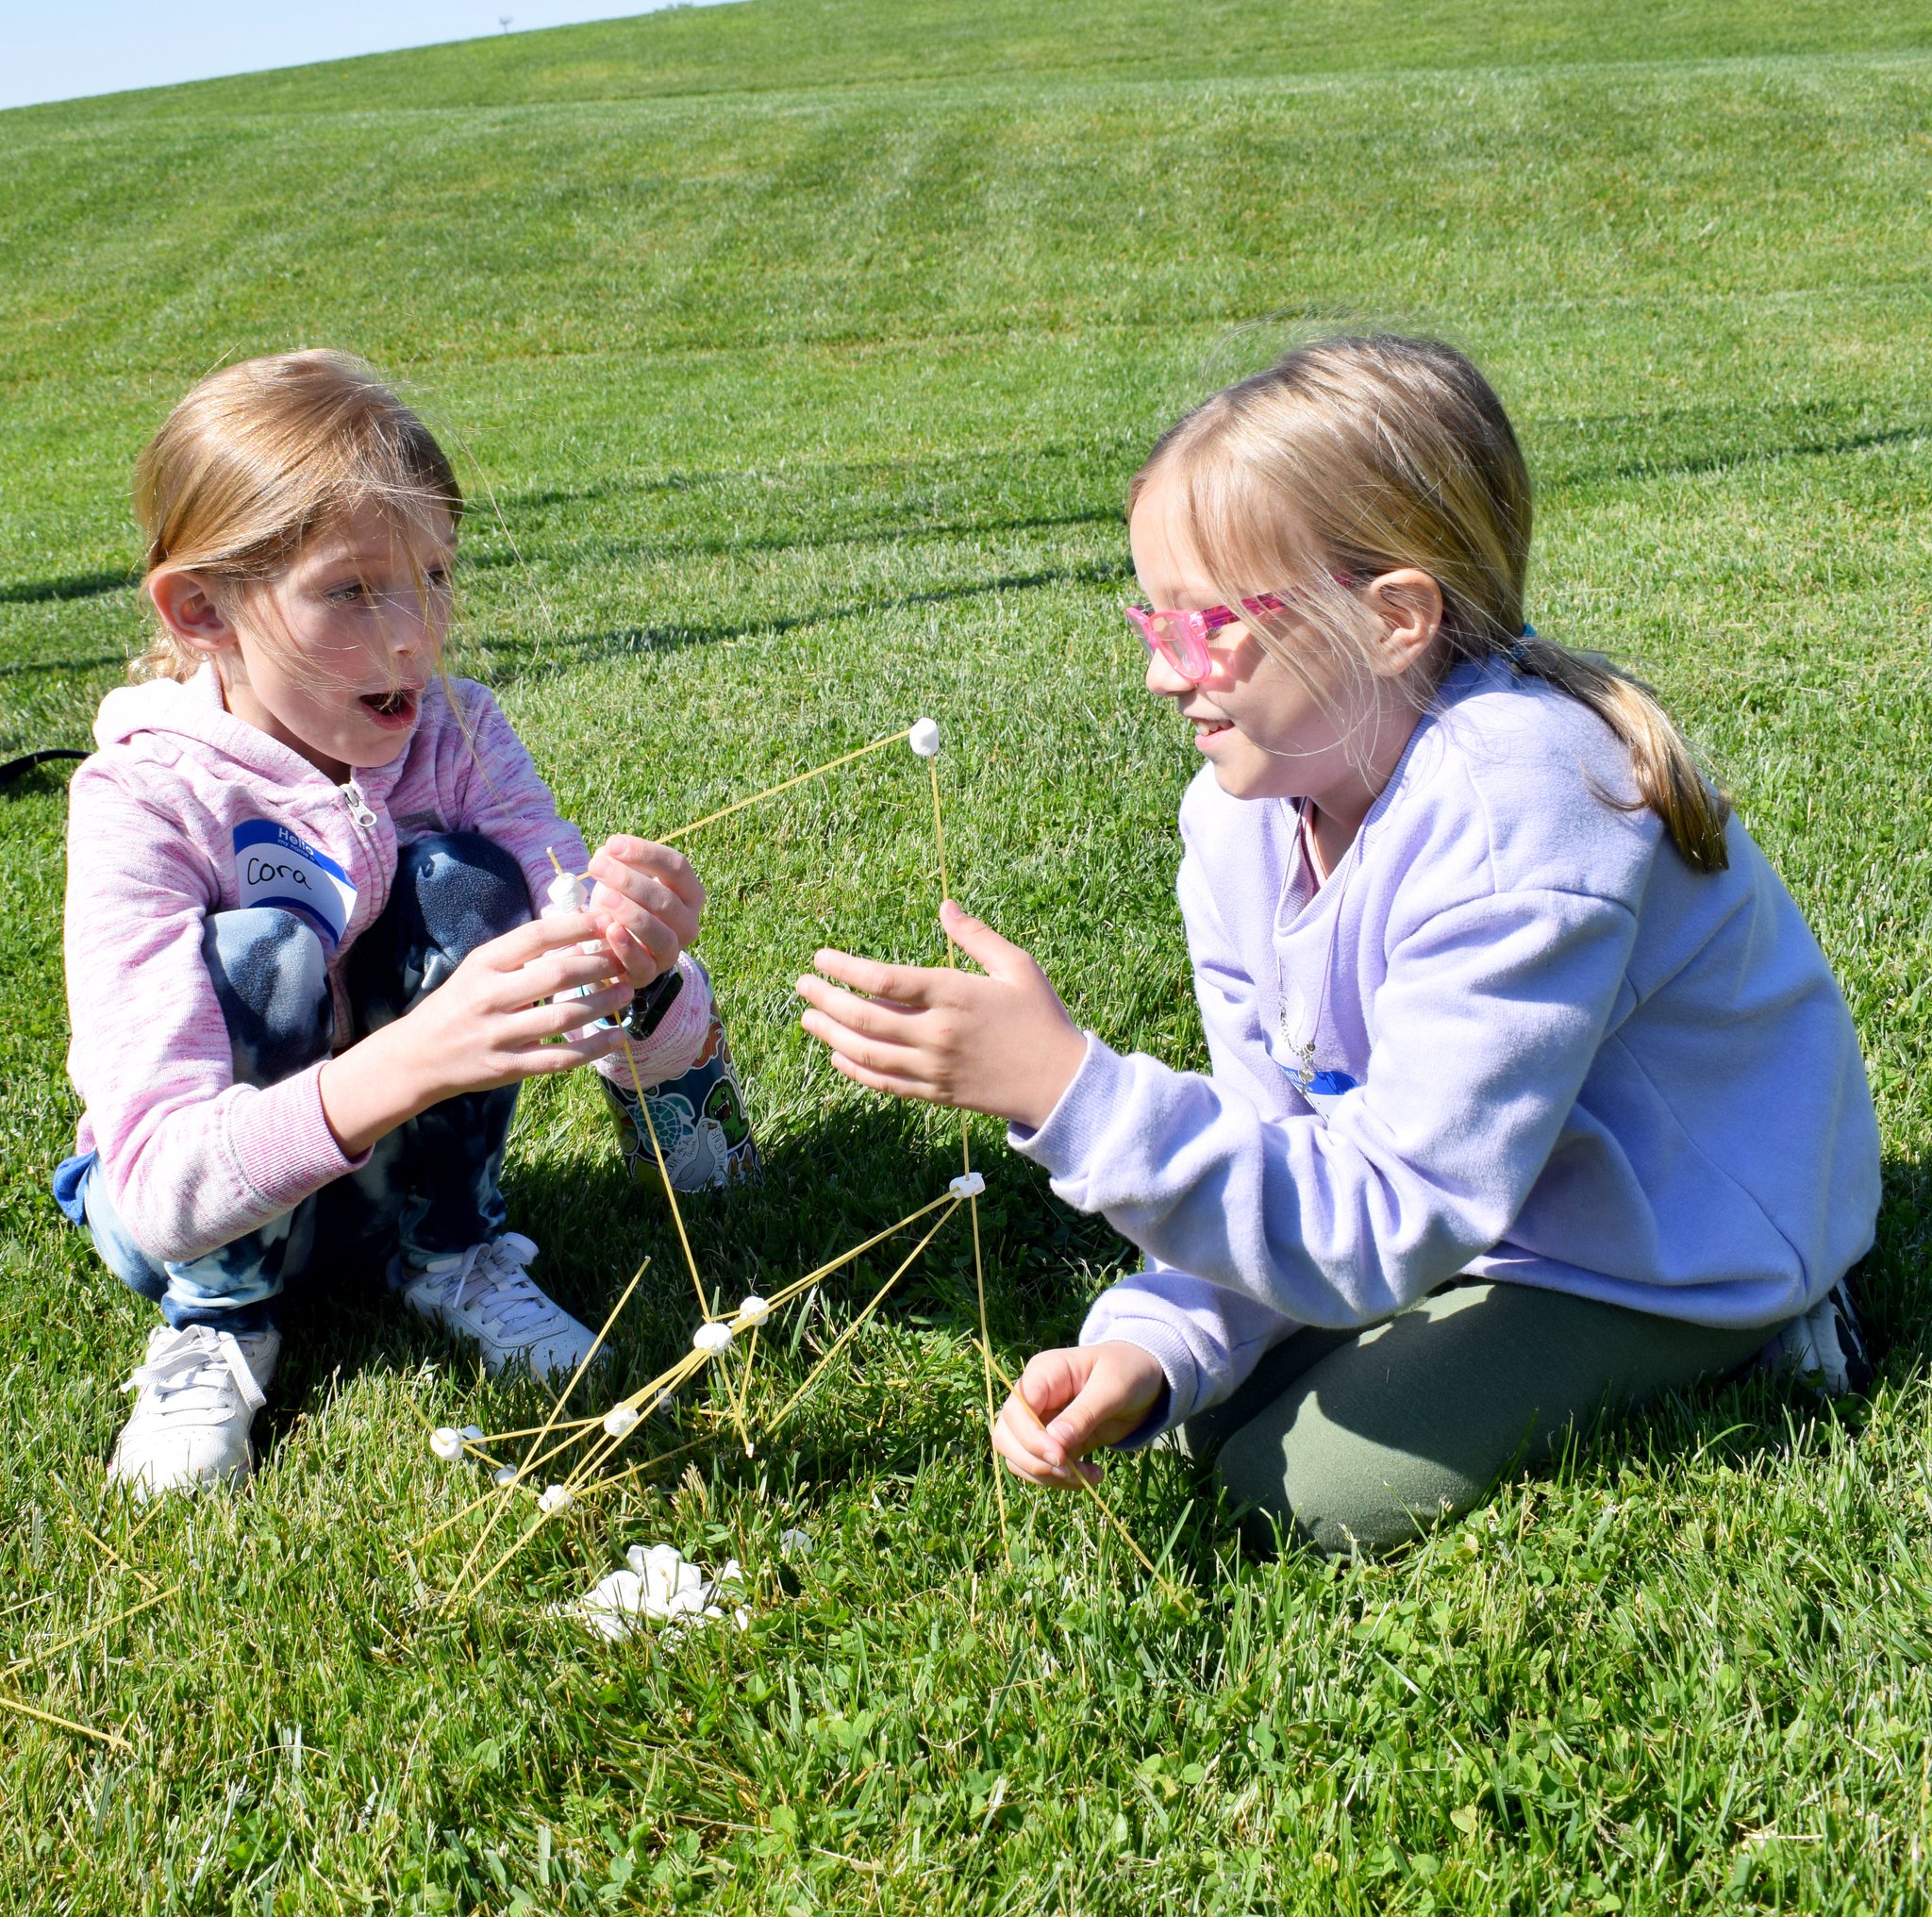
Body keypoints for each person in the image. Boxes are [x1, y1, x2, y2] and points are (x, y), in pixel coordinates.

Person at [795, 334, 1881, 1553]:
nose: (1166, 677)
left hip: (1659, 1249)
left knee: (1292, 1494)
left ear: (1394, 620)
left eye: (1209, 627)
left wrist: (1067, 1092)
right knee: (1199, 1417)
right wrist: (1156, 1341)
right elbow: (1286, 1135)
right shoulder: (1240, 816)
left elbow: (1388, 1220)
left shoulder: (1521, 806)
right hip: (1468, 1205)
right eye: (1150, 623)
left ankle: (1770, 1329)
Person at [58, 349, 754, 1499]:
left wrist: (643, 971)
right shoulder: (145, 799)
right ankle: (222, 1324)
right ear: (203, 610)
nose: (413, 636)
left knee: (468, 886)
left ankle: (452, 1253)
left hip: (383, 1183)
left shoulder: (460, 735)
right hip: (193, 1217)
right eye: (351, 589)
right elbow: (154, 1192)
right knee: (261, 949)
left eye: (433, 575)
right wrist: (412, 1059)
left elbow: (586, 964)